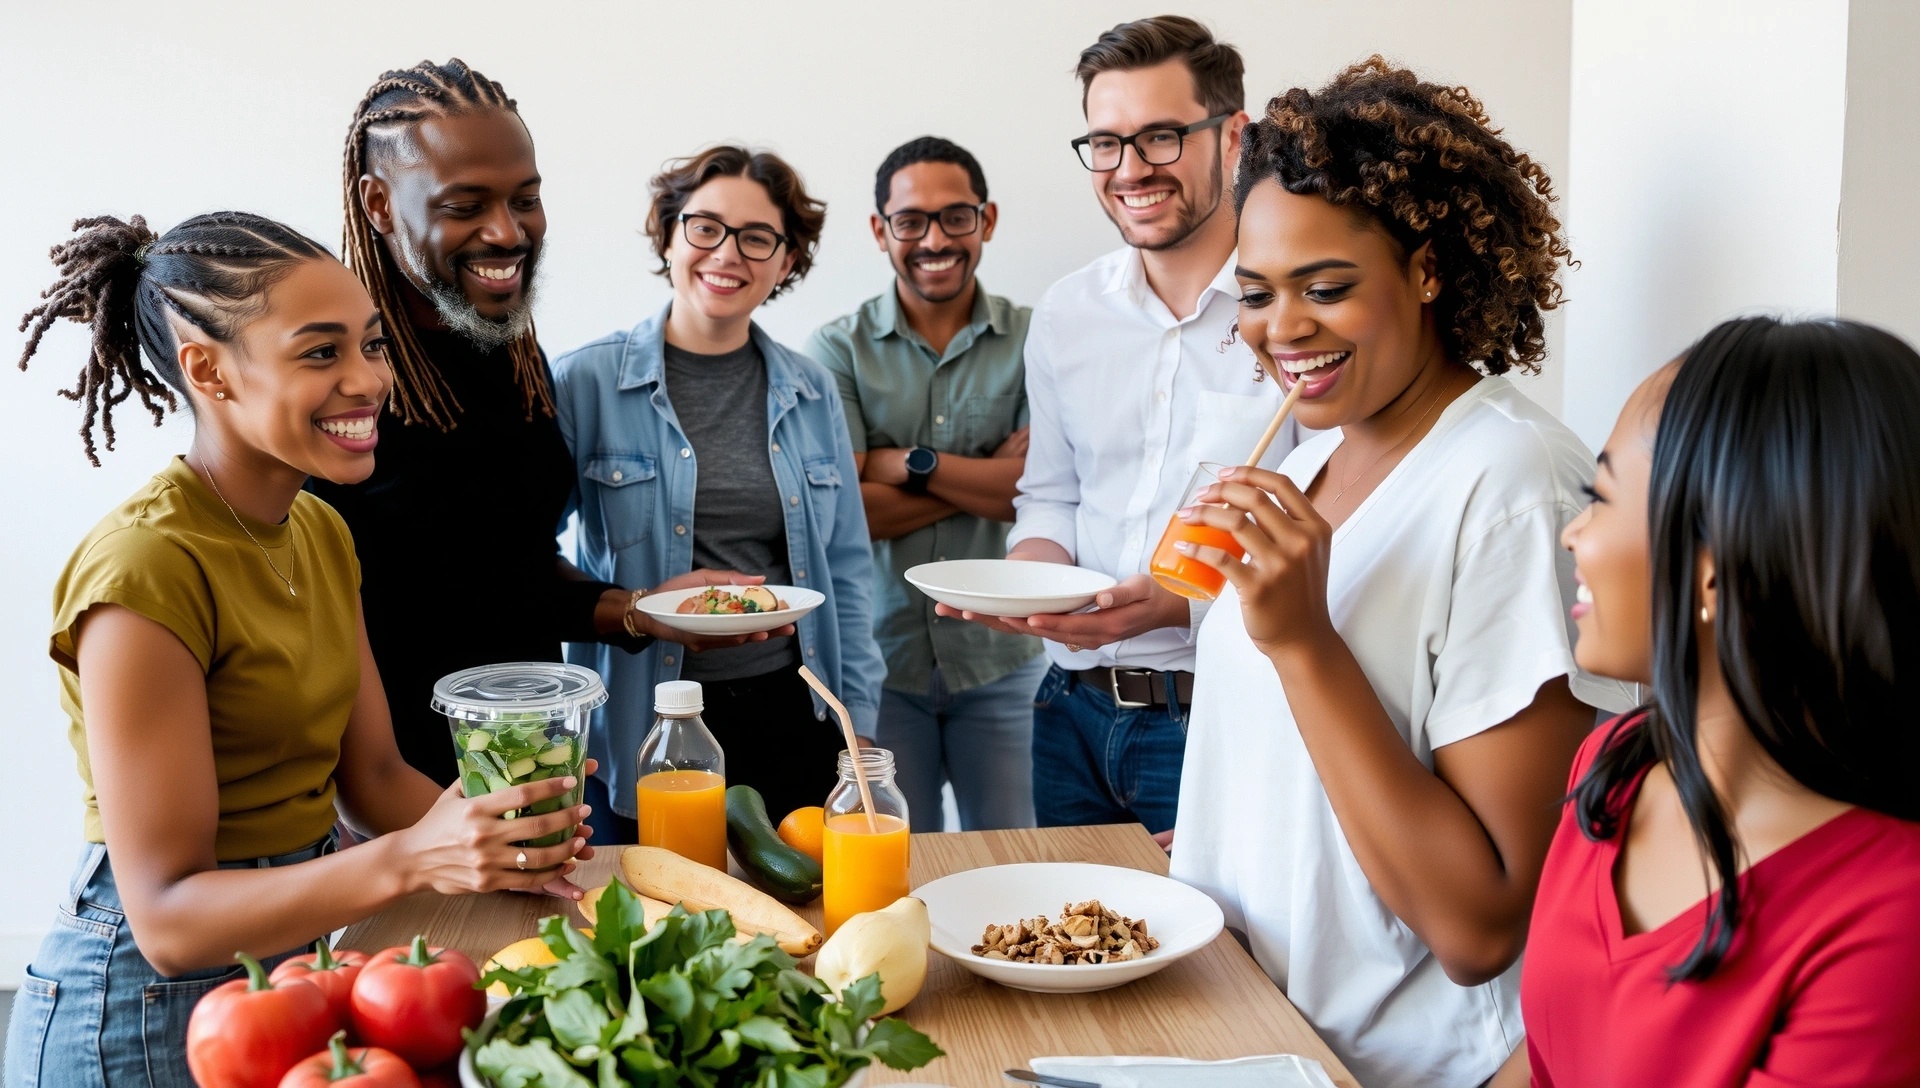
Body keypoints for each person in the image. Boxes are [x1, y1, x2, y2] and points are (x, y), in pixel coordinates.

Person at [4, 213, 594, 1087]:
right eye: (321, 354)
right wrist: (410, 858)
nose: (369, 381)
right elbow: (168, 921)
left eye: (373, 346)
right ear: (207, 369)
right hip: (136, 1013)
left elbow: (376, 779)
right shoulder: (145, 567)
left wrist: (497, 847)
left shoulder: (317, 528)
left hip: (293, 967)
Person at [1165, 60, 1636, 1088]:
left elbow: (1482, 922)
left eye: (1325, 287)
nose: (1282, 329)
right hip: (1239, 1026)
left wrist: (1301, 642)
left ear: (1427, 269)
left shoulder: (1513, 486)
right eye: (1254, 293)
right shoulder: (1302, 457)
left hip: (1389, 1065)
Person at [1489, 318, 1920, 1088]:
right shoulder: (1613, 767)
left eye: (1601, 499)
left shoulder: (1891, 923)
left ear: (1714, 568)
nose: (1572, 537)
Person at [315, 59, 731, 787]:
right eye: (465, 204)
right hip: (396, 795)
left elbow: (506, 570)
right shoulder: (334, 378)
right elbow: (326, 619)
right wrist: (388, 821)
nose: (507, 232)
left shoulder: (507, 349)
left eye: (525, 199)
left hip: (529, 762)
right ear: (378, 204)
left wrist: (640, 611)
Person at [940, 15, 1297, 835]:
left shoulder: (1292, 314)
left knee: (1220, 965)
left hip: (1222, 718)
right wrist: (1030, 582)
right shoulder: (1069, 311)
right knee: (1061, 945)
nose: (1130, 170)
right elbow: (1050, 494)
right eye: (1105, 143)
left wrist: (1179, 606)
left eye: (1162, 137)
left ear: (1232, 135)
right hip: (1066, 712)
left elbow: (1340, 537)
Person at [555, 145, 885, 837]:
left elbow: (848, 570)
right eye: (705, 227)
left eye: (757, 238)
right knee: (657, 917)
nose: (727, 253)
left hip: (795, 707)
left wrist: (861, 726)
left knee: (802, 916)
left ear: (786, 261)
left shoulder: (811, 386)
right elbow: (530, 562)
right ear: (670, 236)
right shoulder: (584, 382)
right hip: (650, 713)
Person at [806, 136, 1042, 832]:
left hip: (1003, 660)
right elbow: (845, 514)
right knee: (892, 867)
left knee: (1016, 863)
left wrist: (906, 463)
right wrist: (986, 473)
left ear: (987, 221)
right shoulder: (836, 350)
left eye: (955, 217)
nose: (934, 238)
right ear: (881, 230)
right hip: (881, 669)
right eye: (911, 221)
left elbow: (1033, 492)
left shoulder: (1039, 338)